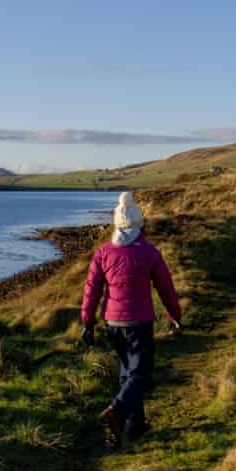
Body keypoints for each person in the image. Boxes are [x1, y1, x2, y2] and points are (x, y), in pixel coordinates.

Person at [81, 191, 183, 448]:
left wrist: (87, 321)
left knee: (128, 372)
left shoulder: (103, 252)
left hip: (112, 323)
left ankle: (132, 425)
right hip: (139, 322)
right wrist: (175, 315)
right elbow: (165, 287)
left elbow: (91, 289)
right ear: (139, 223)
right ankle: (117, 411)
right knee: (140, 373)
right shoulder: (149, 252)